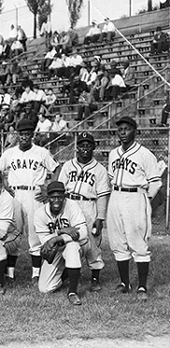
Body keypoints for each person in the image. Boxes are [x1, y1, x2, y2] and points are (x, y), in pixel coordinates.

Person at [0, 119, 60, 282]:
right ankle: (10, 272)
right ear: (17, 135)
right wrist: (3, 186)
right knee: (13, 233)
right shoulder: (9, 153)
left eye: (27, 134)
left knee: (34, 234)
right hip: (15, 194)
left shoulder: (41, 152)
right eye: (21, 134)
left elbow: (57, 169)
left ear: (32, 135)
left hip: (34, 194)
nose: (24, 137)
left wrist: (49, 188)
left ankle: (36, 273)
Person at [107, 116, 162, 300]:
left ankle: (142, 287)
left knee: (138, 243)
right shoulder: (113, 153)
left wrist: (145, 200)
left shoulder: (145, 154)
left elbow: (155, 183)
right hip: (116, 196)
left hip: (136, 196)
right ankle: (124, 283)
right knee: (117, 241)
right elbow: (110, 177)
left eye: (126, 129)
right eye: (120, 129)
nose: (122, 132)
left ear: (135, 131)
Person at [58, 133, 110, 291]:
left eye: (88, 145)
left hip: (88, 205)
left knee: (92, 243)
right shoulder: (68, 165)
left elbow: (102, 196)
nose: (85, 148)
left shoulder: (100, 169)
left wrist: (100, 217)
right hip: (69, 204)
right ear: (76, 148)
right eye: (82, 145)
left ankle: (95, 278)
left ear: (94, 147)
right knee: (68, 239)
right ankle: (70, 272)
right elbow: (60, 188)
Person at [34, 181, 88, 306]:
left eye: (60, 197)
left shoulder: (72, 206)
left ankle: (72, 292)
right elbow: (45, 242)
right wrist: (61, 231)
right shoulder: (39, 214)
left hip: (77, 244)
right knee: (45, 288)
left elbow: (83, 232)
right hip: (57, 249)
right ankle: (68, 274)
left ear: (65, 196)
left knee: (72, 248)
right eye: (53, 197)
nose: (56, 200)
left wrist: (56, 239)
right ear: (48, 197)